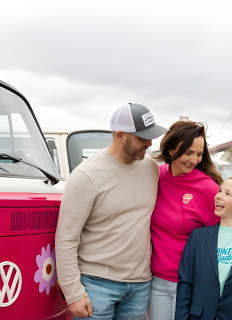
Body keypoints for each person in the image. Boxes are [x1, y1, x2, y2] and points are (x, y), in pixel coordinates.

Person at [148, 120, 232, 320]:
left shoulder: (207, 188)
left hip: (192, 284)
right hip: (156, 282)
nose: (194, 160)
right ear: (172, 147)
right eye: (188, 152)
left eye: (199, 154)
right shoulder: (156, 177)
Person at [55, 103, 167, 320]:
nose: (150, 143)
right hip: (96, 286)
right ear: (120, 135)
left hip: (140, 285)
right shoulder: (86, 176)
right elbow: (66, 238)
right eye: (142, 137)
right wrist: (73, 293)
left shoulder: (151, 169)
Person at [175, 176, 232, 320]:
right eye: (219, 191)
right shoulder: (198, 238)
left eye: (227, 193)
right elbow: (185, 283)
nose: (218, 196)